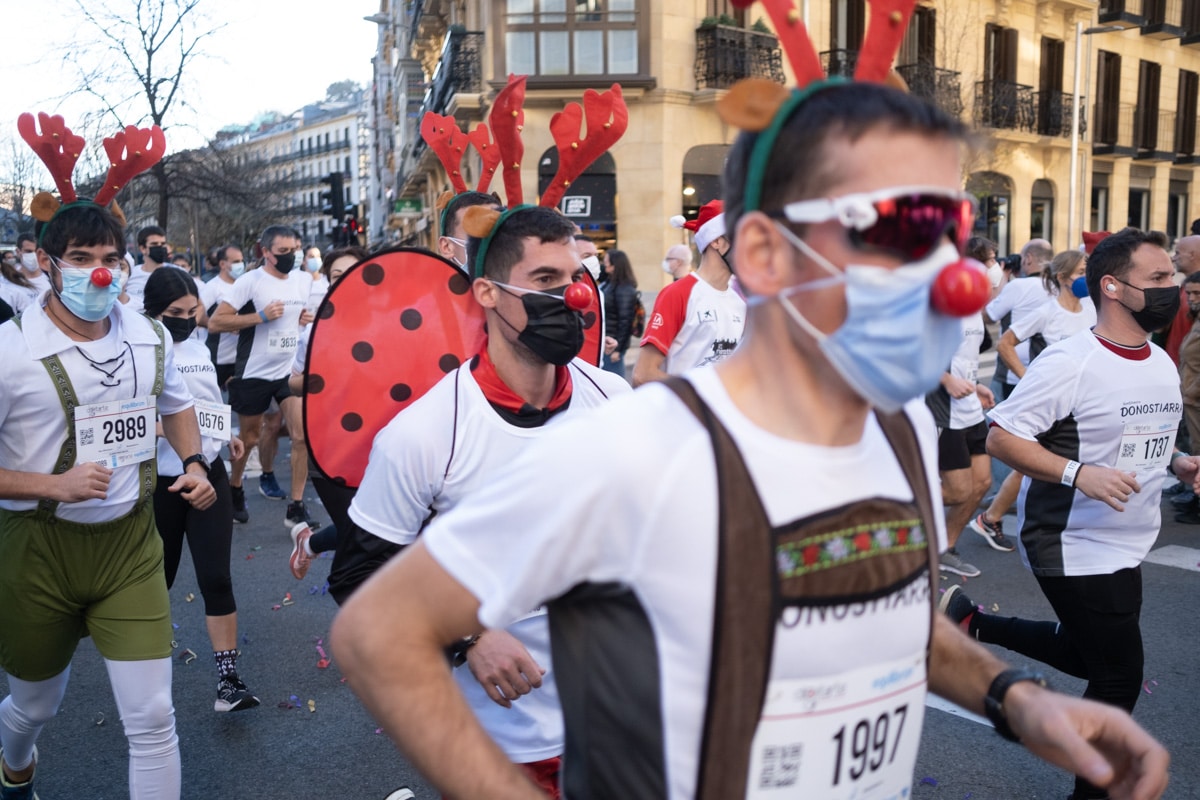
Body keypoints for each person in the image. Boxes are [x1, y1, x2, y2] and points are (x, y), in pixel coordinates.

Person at [330, 54, 1168, 800]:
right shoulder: (638, 446)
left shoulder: (902, 427)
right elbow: (378, 634)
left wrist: (1015, 700)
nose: (953, 279)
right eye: (897, 230)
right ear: (763, 253)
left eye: (949, 232)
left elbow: (896, 618)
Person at [332, 205, 628, 796]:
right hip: (504, 743)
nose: (572, 297)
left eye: (575, 278)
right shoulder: (425, 435)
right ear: (488, 293)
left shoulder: (615, 400)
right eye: (545, 280)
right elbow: (358, 577)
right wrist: (469, 638)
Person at [942, 226, 1183, 800]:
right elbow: (1001, 436)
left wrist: (1179, 462)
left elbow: (1138, 434)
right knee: (1118, 676)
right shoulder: (1071, 362)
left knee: (1087, 651)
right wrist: (1078, 473)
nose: (1173, 287)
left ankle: (971, 622)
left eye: (1172, 275)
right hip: (1073, 541)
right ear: (1113, 287)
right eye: (1158, 277)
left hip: (1129, 537)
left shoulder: (1157, 359)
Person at [0, 198, 215, 797]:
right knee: (35, 706)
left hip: (129, 546)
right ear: (47, 263)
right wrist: (53, 485)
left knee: (153, 718)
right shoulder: (9, 351)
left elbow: (176, 406)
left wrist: (194, 461)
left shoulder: (149, 334)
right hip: (38, 553)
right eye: (80, 257)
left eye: (110, 258)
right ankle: (15, 767)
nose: (99, 272)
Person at [142, 267, 260, 713]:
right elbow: (126, 419)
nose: (187, 320)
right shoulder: (137, 353)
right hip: (162, 482)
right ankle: (146, 684)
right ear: (153, 311)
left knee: (217, 577)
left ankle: (229, 682)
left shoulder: (197, 345)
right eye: (176, 312)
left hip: (208, 473)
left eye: (193, 311)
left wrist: (222, 434)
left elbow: (204, 401)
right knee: (159, 580)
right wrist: (170, 429)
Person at [975, 251, 1097, 547]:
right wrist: (1027, 377)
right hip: (1053, 404)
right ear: (1063, 277)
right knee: (1038, 462)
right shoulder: (1047, 312)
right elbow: (1005, 344)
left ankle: (995, 518)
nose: (1086, 278)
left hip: (1083, 400)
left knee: (1061, 461)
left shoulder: (1092, 309)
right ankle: (991, 518)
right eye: (1081, 272)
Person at [208, 225, 319, 529]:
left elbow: (292, 321)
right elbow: (216, 322)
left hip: (287, 371)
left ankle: (296, 506)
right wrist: (260, 317)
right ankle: (235, 487)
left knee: (301, 436)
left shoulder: (303, 280)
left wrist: (301, 319)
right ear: (266, 252)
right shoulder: (250, 282)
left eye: (294, 250)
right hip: (253, 372)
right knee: (249, 439)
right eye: (283, 251)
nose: (290, 256)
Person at [285, 245, 370, 580]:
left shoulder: (394, 322)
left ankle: (310, 543)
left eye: (355, 273)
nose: (346, 281)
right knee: (360, 533)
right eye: (337, 276)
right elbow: (293, 382)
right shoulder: (316, 329)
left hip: (383, 443)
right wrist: (320, 378)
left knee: (378, 529)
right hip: (331, 444)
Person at [632, 200, 745, 385]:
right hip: (679, 404)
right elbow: (643, 375)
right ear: (716, 241)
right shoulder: (678, 294)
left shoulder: (740, 303)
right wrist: (702, 392)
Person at [928, 309, 998, 579]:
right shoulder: (941, 309)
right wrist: (946, 380)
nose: (994, 289)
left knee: (981, 483)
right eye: (994, 289)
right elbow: (915, 351)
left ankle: (944, 549)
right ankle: (893, 507)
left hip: (971, 411)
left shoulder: (975, 312)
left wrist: (975, 384)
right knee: (957, 492)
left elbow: (963, 358)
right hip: (944, 413)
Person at [984, 238, 1054, 399]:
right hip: (1045, 373)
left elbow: (989, 316)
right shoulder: (1056, 286)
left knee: (995, 411)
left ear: (1028, 258)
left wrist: (1001, 281)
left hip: (1012, 374)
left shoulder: (1017, 286)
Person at [198, 244, 246, 391]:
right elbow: (197, 317)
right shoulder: (213, 287)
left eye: (241, 261)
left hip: (243, 356)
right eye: (236, 262)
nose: (240, 265)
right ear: (222, 264)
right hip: (219, 358)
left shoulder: (245, 285)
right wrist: (225, 325)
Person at [1173, 272, 1200, 524]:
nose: (1191, 298)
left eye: (1197, 293)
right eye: (1189, 293)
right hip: (1191, 398)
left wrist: (1192, 390)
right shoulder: (1196, 318)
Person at [1162, 234, 1200, 365]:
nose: (1173, 258)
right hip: (1175, 367)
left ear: (1192, 255)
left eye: (1178, 253)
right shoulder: (1185, 286)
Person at [601, 249, 638, 378]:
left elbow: (626, 321)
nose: (604, 264)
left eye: (606, 261)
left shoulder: (624, 289)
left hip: (613, 345)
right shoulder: (608, 283)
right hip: (605, 341)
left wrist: (618, 350)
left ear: (615, 264)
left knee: (613, 382)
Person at [124, 225, 172, 312]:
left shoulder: (177, 273)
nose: (160, 247)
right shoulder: (130, 274)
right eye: (154, 244)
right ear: (143, 249)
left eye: (163, 244)